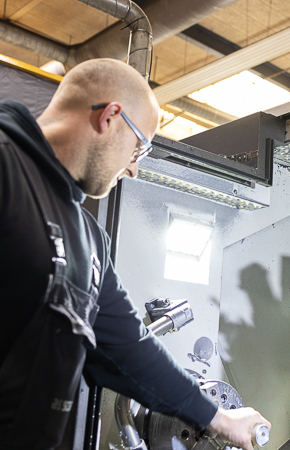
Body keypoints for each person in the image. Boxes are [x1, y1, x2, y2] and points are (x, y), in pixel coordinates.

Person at [0, 58, 270, 450]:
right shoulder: (7, 165)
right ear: (110, 117)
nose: (134, 170)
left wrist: (217, 418)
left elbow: (127, 349)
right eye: (140, 148)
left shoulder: (88, 238)